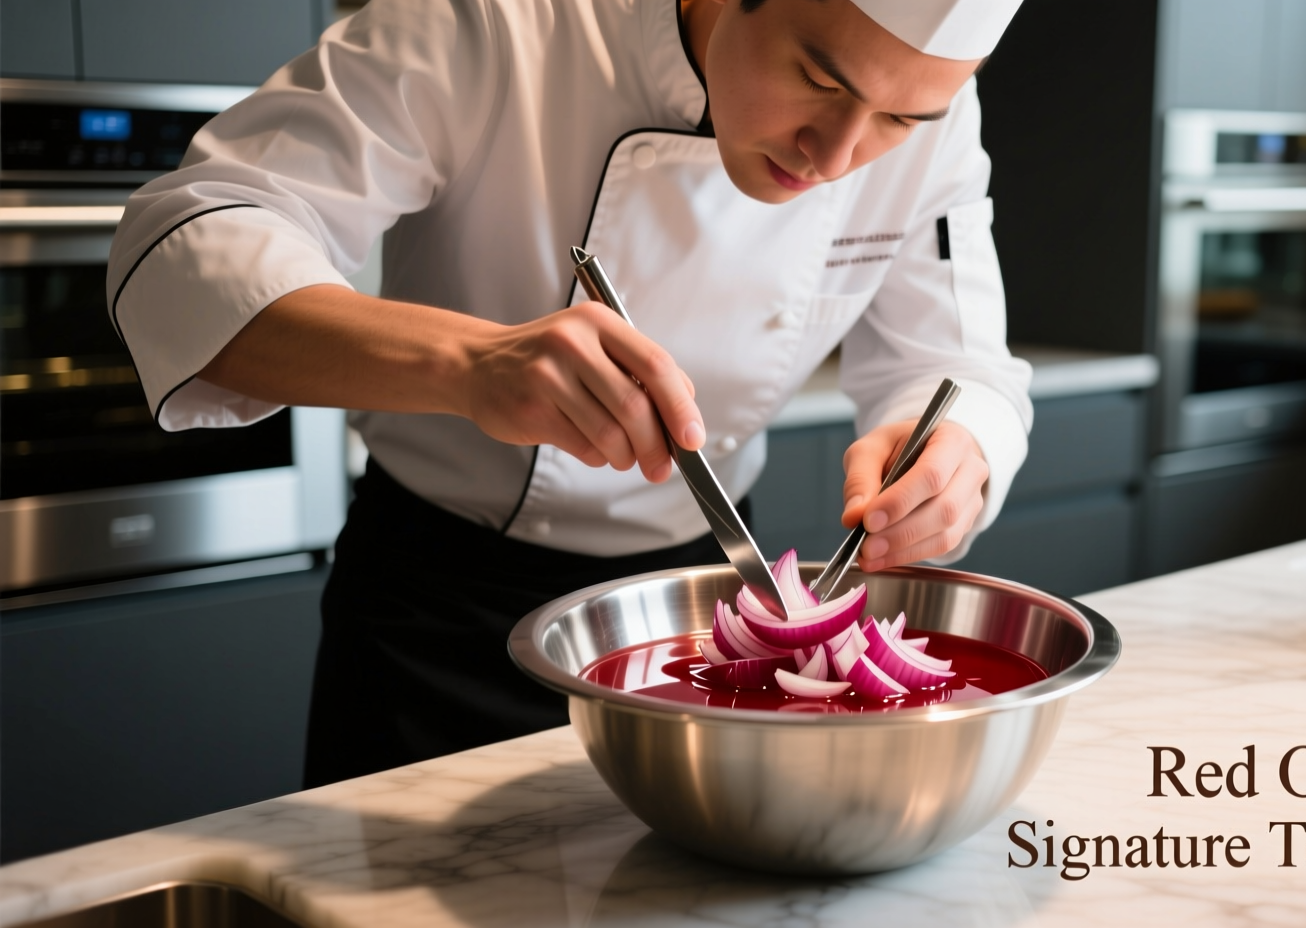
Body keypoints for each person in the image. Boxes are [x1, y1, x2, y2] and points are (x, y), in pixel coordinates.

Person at [107, 0, 1033, 787]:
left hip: (708, 625)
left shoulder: (931, 101)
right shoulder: (499, 23)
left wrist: (953, 454)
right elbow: (184, 246)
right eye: (821, 81)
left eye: (899, 122)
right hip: (441, 617)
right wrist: (467, 363)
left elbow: (962, 366)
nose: (836, 153)